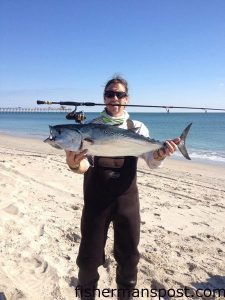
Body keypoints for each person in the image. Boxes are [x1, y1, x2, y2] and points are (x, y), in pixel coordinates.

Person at [65, 76, 180, 300]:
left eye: (120, 94)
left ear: (127, 99)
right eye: (110, 94)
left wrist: (160, 153)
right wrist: (73, 163)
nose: (115, 98)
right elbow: (83, 166)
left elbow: (151, 161)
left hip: (127, 201)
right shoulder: (91, 128)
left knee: (128, 260)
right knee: (88, 261)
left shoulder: (137, 127)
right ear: (104, 98)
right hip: (96, 202)